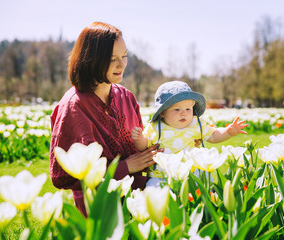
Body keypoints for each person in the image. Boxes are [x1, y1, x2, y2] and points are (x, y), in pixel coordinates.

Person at [50, 22, 161, 217]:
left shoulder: (127, 97)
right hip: (98, 208)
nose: (122, 64)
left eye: (124, 56)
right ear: (91, 60)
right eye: (112, 59)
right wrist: (126, 167)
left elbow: (140, 149)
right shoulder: (73, 106)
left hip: (138, 201)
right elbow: (62, 176)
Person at [131, 81, 248, 186]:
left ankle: (204, 204)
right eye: (177, 109)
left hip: (191, 172)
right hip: (161, 175)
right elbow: (144, 146)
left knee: (203, 181)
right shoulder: (156, 127)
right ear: (162, 113)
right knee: (153, 190)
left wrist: (228, 131)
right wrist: (139, 139)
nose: (184, 113)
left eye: (188, 109)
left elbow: (213, 135)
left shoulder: (195, 124)